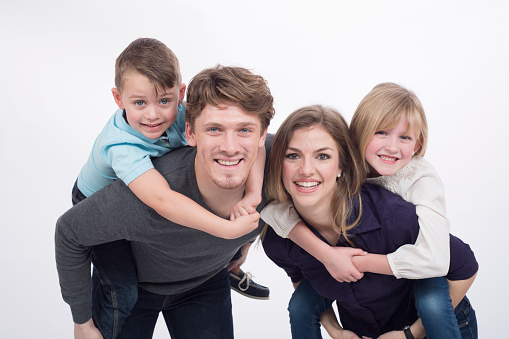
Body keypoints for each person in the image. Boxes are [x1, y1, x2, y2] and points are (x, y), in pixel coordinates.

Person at [56, 65, 275, 339]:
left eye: (244, 130)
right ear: (191, 134)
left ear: (262, 135)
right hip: (136, 288)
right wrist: (82, 322)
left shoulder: (284, 165)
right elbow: (68, 233)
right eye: (214, 129)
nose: (230, 147)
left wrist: (242, 245)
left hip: (206, 281)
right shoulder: (141, 196)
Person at [262, 83, 478, 338]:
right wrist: (328, 257)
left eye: (322, 156)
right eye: (293, 156)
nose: (392, 147)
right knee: (300, 304)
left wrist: (410, 333)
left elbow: (448, 260)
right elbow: (273, 213)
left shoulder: (410, 192)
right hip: (368, 324)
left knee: (431, 302)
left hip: (428, 298)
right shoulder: (351, 171)